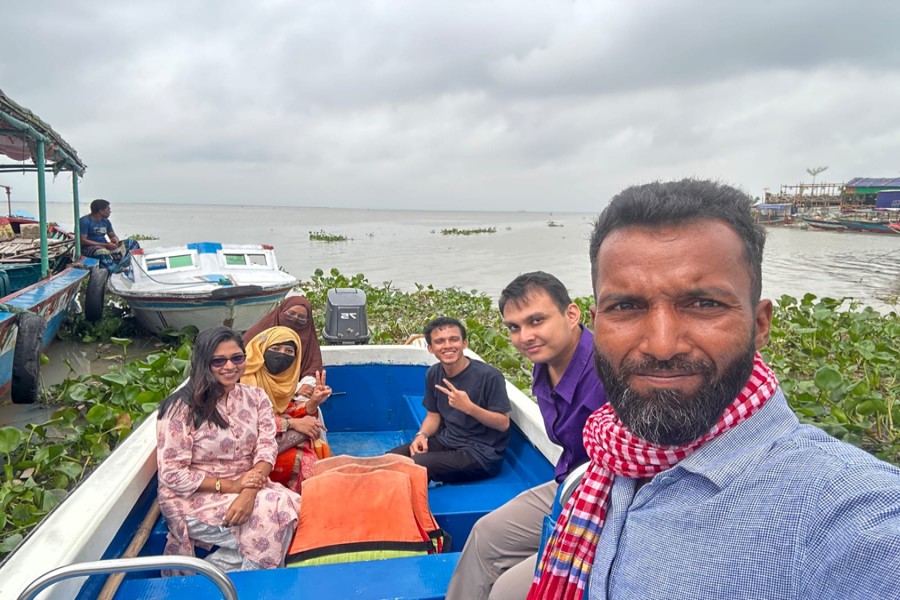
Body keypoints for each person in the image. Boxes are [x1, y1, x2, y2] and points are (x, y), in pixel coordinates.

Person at [530, 179, 900, 600]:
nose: (662, 345)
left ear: (760, 325)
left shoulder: (841, 513)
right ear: (596, 321)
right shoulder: (613, 456)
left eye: (704, 304)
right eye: (627, 307)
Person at [447, 272, 607, 600]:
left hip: (607, 503)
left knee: (507, 591)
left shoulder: (606, 373)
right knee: (484, 535)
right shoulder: (543, 363)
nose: (525, 337)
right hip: (568, 486)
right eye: (514, 327)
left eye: (537, 320)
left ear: (572, 314)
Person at [156, 326, 301, 574]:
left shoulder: (256, 397)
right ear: (203, 363)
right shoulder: (181, 408)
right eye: (218, 361)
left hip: (250, 485)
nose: (229, 367)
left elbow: (266, 448)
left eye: (237, 358)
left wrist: (248, 491)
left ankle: (213, 578)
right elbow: (172, 474)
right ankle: (251, 588)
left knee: (289, 509)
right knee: (274, 522)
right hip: (193, 497)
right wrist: (232, 487)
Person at [389, 316, 512, 483]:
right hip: (447, 441)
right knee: (391, 458)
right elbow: (433, 416)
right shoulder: (433, 373)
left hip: (481, 453)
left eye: (454, 339)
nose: (447, 346)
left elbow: (503, 423)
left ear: (464, 343)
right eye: (440, 342)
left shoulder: (489, 376)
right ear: (431, 348)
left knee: (415, 465)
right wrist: (422, 435)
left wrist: (469, 408)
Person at [241, 325, 332, 493]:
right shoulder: (244, 378)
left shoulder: (283, 382)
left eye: (289, 352)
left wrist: (312, 403)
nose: (282, 354)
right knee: (305, 458)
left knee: (311, 431)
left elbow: (284, 410)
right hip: (244, 446)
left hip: (272, 438)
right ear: (261, 350)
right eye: (275, 348)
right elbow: (247, 420)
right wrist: (291, 424)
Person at [244, 296, 323, 401]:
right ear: (281, 312)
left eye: (301, 318)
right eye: (290, 314)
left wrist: (305, 394)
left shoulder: (309, 342)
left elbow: (312, 372)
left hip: (293, 400)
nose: (295, 319)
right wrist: (295, 388)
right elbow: (248, 370)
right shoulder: (259, 336)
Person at [78, 198, 138, 270]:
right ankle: (114, 270)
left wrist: (115, 240)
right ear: (101, 211)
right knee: (102, 251)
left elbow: (112, 236)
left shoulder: (106, 222)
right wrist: (105, 245)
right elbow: (83, 240)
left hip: (104, 245)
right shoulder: (84, 221)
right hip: (89, 248)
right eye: (108, 209)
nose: (110, 211)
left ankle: (121, 264)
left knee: (132, 243)